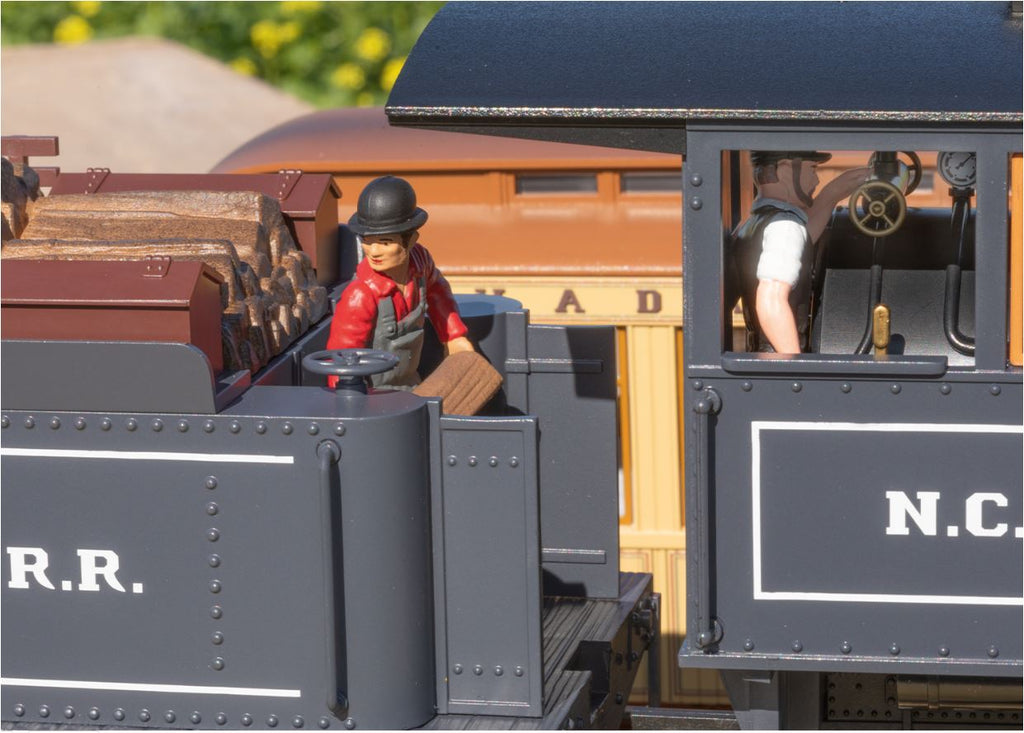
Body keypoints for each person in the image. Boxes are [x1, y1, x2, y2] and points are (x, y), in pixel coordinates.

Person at [326, 175, 474, 388]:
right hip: (373, 395)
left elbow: (437, 292)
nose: (374, 251)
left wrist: (454, 336)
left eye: (385, 242)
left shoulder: (421, 265)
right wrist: (350, 396)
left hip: (411, 384)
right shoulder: (360, 295)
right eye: (366, 241)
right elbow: (341, 358)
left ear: (411, 240)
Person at [732, 151, 869, 353]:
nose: (816, 179)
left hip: (761, 355)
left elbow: (810, 226)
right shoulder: (785, 227)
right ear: (785, 169)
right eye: (812, 169)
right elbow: (771, 299)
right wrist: (794, 364)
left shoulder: (752, 224)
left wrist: (845, 185)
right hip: (780, 359)